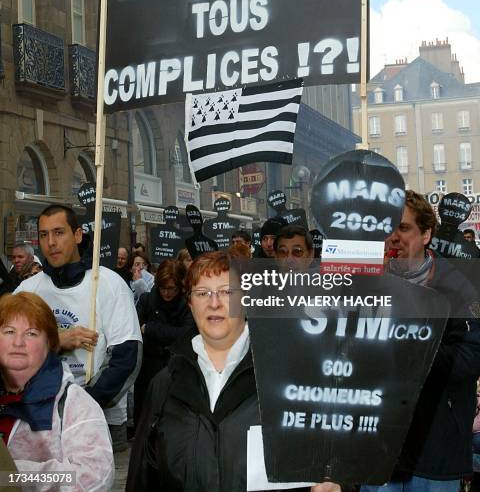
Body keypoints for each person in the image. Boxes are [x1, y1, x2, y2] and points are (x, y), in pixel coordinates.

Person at [127, 251, 339, 492]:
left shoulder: (288, 378)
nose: (214, 302)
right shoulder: (164, 385)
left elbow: (336, 458)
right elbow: (143, 477)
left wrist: (336, 482)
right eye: (202, 293)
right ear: (190, 303)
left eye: (227, 292)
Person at [362, 190, 480, 492]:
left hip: (436, 451)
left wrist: (413, 354)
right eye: (386, 229)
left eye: (403, 228)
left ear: (426, 234)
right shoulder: (365, 285)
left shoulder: (459, 286)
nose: (393, 237)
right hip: (377, 450)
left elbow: (471, 357)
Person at [15, 204, 142, 452]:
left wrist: (80, 407)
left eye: (59, 232)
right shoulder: (27, 291)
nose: (51, 242)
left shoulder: (108, 284)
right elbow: (8, 355)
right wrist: (55, 342)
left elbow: (127, 358)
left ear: (77, 235)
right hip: (40, 420)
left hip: (99, 419)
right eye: (44, 235)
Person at [0, 291, 114, 489]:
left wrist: (12, 475)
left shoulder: (74, 403)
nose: (18, 342)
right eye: (9, 331)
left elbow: (93, 478)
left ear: (50, 343)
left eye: (31, 333)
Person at [134, 259, 195, 427]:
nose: (167, 293)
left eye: (172, 289)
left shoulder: (188, 305)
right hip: (148, 366)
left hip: (176, 366)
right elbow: (135, 329)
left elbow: (186, 334)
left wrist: (152, 329)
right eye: (163, 288)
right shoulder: (147, 300)